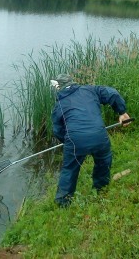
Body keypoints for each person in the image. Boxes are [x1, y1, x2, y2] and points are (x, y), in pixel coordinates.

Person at [51, 74, 131, 207]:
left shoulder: (59, 105)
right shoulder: (90, 90)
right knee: (103, 160)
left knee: (70, 169)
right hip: (99, 136)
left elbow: (57, 130)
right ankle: (101, 189)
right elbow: (112, 93)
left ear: (59, 87)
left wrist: (67, 142)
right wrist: (122, 112)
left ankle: (63, 203)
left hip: (76, 141)